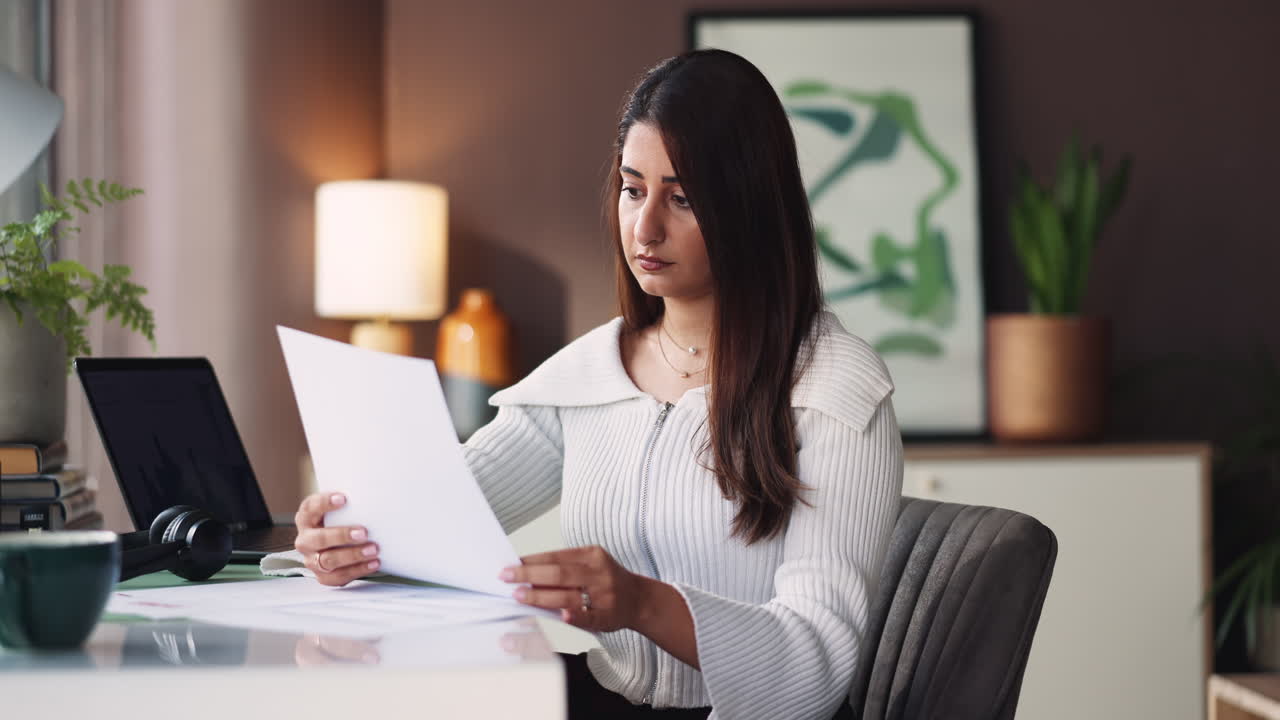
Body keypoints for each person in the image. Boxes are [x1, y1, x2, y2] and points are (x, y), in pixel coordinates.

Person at [292, 49, 903, 720]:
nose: (645, 227)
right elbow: (435, 520)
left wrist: (642, 604)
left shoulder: (835, 394)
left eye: (684, 198)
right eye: (633, 188)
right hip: (602, 698)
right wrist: (350, 544)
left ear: (750, 208)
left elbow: (814, 666)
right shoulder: (591, 375)